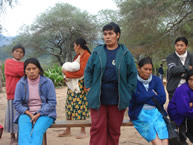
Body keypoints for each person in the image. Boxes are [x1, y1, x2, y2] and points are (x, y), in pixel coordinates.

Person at [84, 22, 137, 145]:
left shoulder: (125, 53)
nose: (107, 37)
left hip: (117, 96)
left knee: (114, 130)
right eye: (105, 34)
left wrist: (128, 91)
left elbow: (132, 75)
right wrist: (89, 86)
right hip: (98, 95)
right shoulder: (97, 52)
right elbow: (88, 71)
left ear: (117, 35)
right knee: (98, 128)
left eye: (110, 34)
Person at [13, 58, 57, 145]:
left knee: (37, 132)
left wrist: (38, 114)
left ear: (39, 69)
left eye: (34, 68)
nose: (31, 71)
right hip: (26, 113)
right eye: (28, 69)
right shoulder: (21, 84)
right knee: (24, 134)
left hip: (45, 114)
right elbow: (17, 103)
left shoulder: (48, 82)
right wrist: (30, 114)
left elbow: (52, 103)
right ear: (25, 71)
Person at [129, 57, 168, 145]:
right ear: (138, 68)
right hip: (139, 113)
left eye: (150, 69)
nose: (148, 72)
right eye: (145, 69)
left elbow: (162, 99)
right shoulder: (132, 81)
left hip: (157, 112)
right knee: (157, 140)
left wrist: (143, 97)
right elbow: (136, 100)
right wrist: (151, 93)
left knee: (163, 136)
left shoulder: (156, 80)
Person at [58, 38, 90, 139]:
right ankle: (68, 129)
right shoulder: (80, 56)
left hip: (81, 85)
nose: (74, 47)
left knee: (81, 107)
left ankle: (83, 130)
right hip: (75, 85)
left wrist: (66, 74)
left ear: (78, 46)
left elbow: (82, 72)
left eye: (74, 45)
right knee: (70, 106)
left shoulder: (87, 56)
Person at [4, 44, 25, 144]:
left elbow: (24, 71)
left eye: (21, 52)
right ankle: (12, 137)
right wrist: (22, 70)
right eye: (17, 51)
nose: (18, 53)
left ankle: (20, 136)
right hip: (12, 93)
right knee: (12, 115)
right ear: (12, 52)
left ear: (23, 55)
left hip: (23, 94)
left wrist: (23, 70)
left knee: (21, 115)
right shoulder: (8, 62)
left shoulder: (24, 63)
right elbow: (19, 71)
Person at [168, 69, 193, 145]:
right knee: (183, 131)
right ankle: (182, 139)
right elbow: (183, 110)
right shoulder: (182, 89)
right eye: (191, 80)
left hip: (188, 112)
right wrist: (189, 105)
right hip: (177, 113)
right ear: (187, 80)